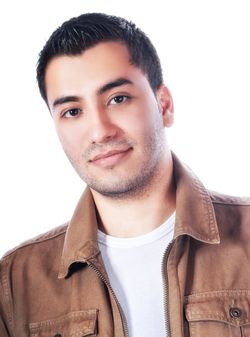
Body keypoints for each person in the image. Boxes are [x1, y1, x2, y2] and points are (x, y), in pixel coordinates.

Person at [0, 12, 249, 337]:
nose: (100, 131)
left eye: (118, 99)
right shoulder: (15, 285)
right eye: (72, 111)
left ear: (164, 105)